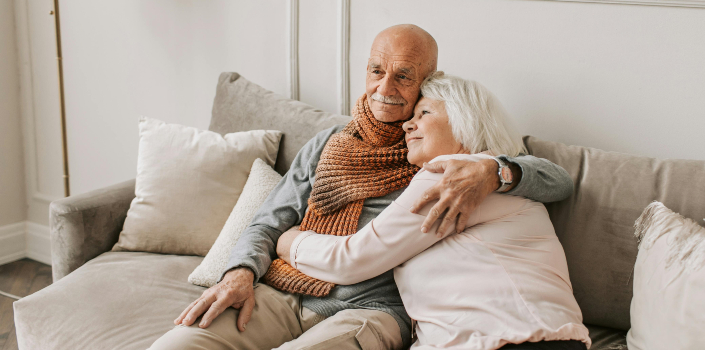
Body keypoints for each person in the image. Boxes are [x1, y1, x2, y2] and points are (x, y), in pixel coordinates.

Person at [150, 25, 574, 350]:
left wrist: (493, 172)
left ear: (429, 79)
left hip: (372, 310)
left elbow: (555, 179)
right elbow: (269, 221)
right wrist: (239, 273)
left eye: (403, 77)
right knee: (179, 343)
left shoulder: (442, 160)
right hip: (285, 289)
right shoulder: (328, 144)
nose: (384, 89)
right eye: (376, 71)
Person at [276, 72, 591, 350]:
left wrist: (289, 242)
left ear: (465, 121)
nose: (408, 125)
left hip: (520, 341)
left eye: (424, 113)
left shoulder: (453, 175)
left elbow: (352, 259)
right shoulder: (493, 176)